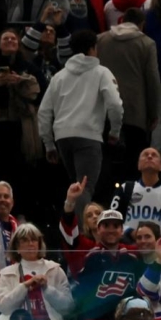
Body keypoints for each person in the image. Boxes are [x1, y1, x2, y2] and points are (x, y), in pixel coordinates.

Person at [37, 30, 121, 215]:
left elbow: (43, 112)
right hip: (88, 136)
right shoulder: (101, 72)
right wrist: (114, 131)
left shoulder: (59, 76)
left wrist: (49, 144)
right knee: (84, 188)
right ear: (93, 49)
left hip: (62, 138)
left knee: (76, 187)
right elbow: (115, 104)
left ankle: (74, 232)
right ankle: (81, 237)